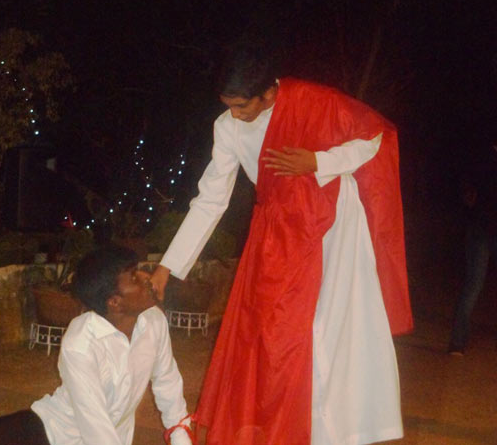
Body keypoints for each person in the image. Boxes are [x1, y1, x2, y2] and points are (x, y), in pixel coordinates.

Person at [150, 44, 413, 444]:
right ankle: (280, 425)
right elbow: (211, 199)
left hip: (334, 228)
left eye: (242, 106)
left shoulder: (313, 100)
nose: (235, 115)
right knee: (274, 331)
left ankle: (331, 429)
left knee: (328, 327)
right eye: (228, 106)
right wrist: (168, 266)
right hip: (277, 233)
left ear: (270, 93)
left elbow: (374, 137)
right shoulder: (227, 127)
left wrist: (318, 162)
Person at [0, 246, 193, 445]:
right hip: (51, 433)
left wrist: (181, 439)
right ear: (114, 302)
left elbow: (167, 382)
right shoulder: (81, 342)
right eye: (133, 277)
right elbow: (95, 425)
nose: (147, 277)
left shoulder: (154, 322)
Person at [448, 143, 497, 355]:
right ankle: (457, 342)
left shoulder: (480, 160)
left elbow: (467, 192)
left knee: (472, 285)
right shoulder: (482, 161)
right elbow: (467, 192)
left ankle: (457, 343)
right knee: (473, 286)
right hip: (481, 230)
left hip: (480, 228)